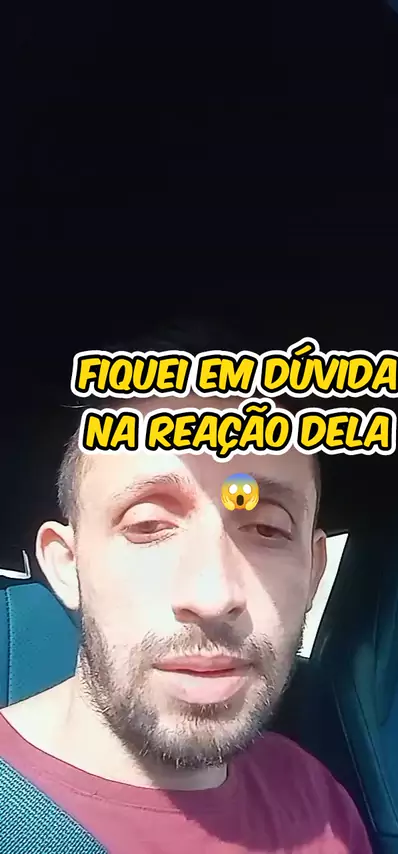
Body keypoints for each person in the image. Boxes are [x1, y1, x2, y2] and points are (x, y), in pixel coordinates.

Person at [0, 328, 373, 854]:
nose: (213, 596)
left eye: (267, 528)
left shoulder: (323, 805)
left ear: (314, 573)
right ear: (66, 566)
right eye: (148, 526)